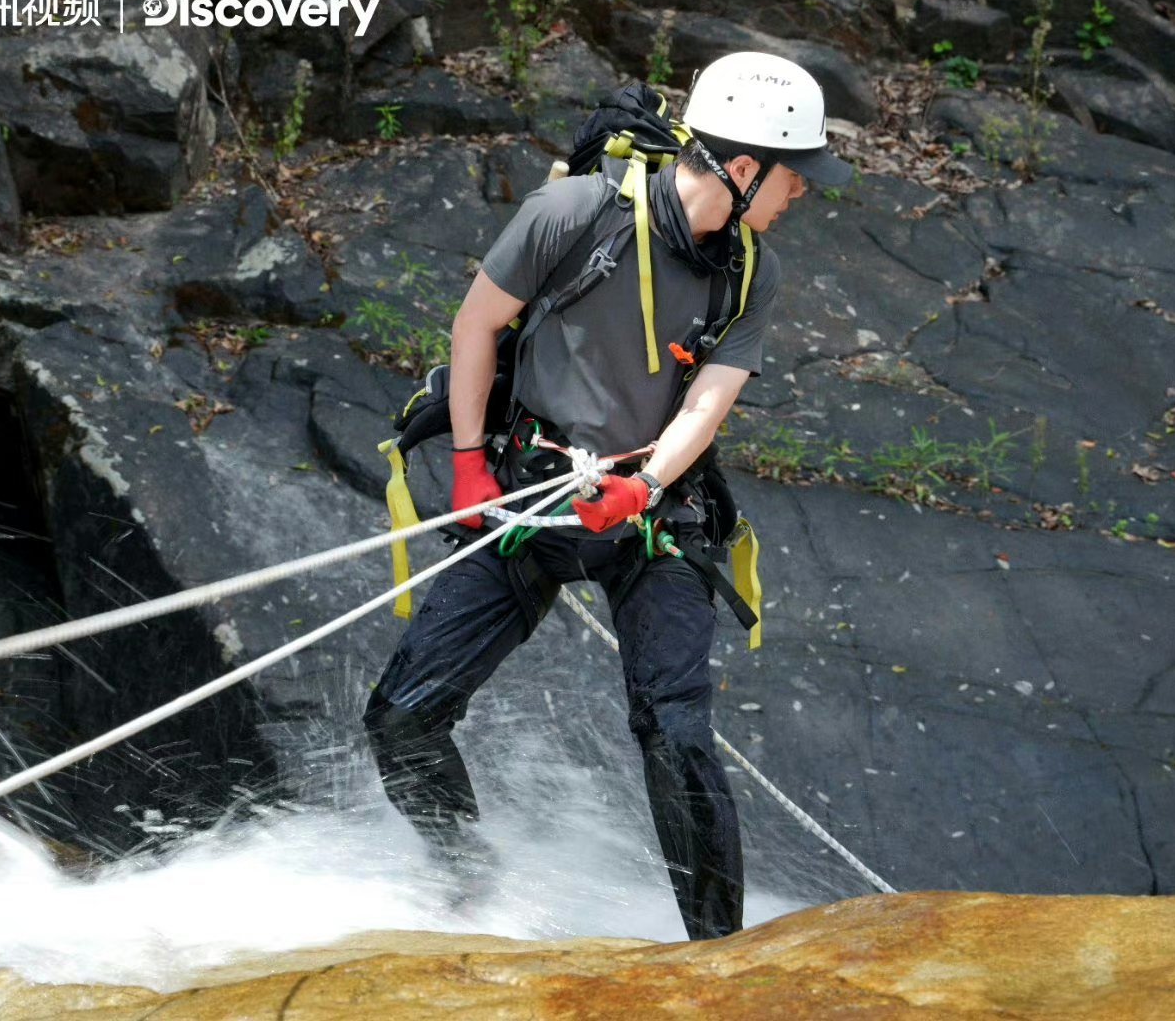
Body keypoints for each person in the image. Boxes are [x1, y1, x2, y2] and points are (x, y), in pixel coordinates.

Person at [363, 51, 851, 940]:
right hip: (527, 502)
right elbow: (477, 327)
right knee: (402, 720)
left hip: (654, 521)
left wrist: (646, 486)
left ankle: (719, 959)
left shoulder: (750, 270)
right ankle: (467, 882)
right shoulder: (574, 214)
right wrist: (471, 466)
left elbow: (706, 402)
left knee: (676, 734)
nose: (803, 195)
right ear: (743, 169)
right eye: (796, 176)